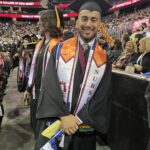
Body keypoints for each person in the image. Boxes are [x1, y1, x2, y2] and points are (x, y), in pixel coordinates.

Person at [36, 0, 112, 150]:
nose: (88, 24)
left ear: (99, 24)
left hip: (84, 129)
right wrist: (63, 116)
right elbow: (49, 84)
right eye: (84, 18)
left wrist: (76, 119)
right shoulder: (59, 49)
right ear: (76, 22)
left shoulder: (104, 59)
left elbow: (102, 97)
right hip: (57, 124)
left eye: (94, 19)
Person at [23, 9, 62, 137]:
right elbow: (35, 69)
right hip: (36, 96)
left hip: (48, 101)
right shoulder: (40, 44)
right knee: (36, 131)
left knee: (46, 137)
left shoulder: (58, 46)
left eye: (40, 21)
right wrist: (28, 89)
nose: (37, 24)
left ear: (47, 23)